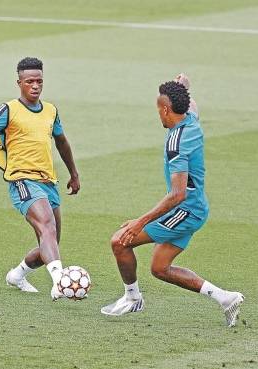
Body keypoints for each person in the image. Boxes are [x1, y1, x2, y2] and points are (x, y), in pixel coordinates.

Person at [101, 76, 244, 327]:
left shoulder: (177, 145)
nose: (158, 116)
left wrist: (140, 222)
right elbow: (191, 105)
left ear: (166, 110)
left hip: (185, 210)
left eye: (159, 110)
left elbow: (178, 194)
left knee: (120, 241)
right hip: (196, 208)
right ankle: (225, 298)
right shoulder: (191, 120)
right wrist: (183, 89)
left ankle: (132, 298)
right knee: (159, 267)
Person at [0, 57, 80, 299]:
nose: (35, 86)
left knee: (50, 243)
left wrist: (73, 173)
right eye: (30, 82)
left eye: (39, 81)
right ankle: (60, 280)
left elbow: (61, 142)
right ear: (19, 83)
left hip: (48, 181)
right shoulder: (7, 110)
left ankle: (17, 275)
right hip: (22, 180)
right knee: (46, 225)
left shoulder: (51, 110)